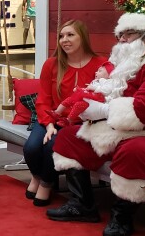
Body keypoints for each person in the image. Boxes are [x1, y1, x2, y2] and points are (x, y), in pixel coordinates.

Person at [50, 13, 145, 236]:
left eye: (126, 35)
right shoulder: (131, 65)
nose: (120, 41)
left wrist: (101, 111)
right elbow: (113, 94)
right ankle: (82, 205)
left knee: (133, 151)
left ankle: (122, 217)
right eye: (119, 36)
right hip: (123, 130)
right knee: (70, 136)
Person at [23, 20, 106, 207]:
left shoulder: (100, 65)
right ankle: (37, 176)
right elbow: (43, 99)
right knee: (31, 147)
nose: (64, 40)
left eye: (70, 35)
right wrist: (50, 124)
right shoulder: (52, 64)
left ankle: (46, 183)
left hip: (80, 122)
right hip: (51, 118)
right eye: (61, 36)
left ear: (82, 38)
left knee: (51, 146)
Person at [53, 60, 116, 127]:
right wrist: (80, 90)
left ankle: (69, 120)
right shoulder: (95, 81)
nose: (96, 72)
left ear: (109, 75)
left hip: (96, 102)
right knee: (70, 99)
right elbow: (88, 90)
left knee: (78, 105)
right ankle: (57, 112)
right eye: (97, 71)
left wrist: (94, 88)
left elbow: (107, 90)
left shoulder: (108, 82)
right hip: (89, 99)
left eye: (100, 71)